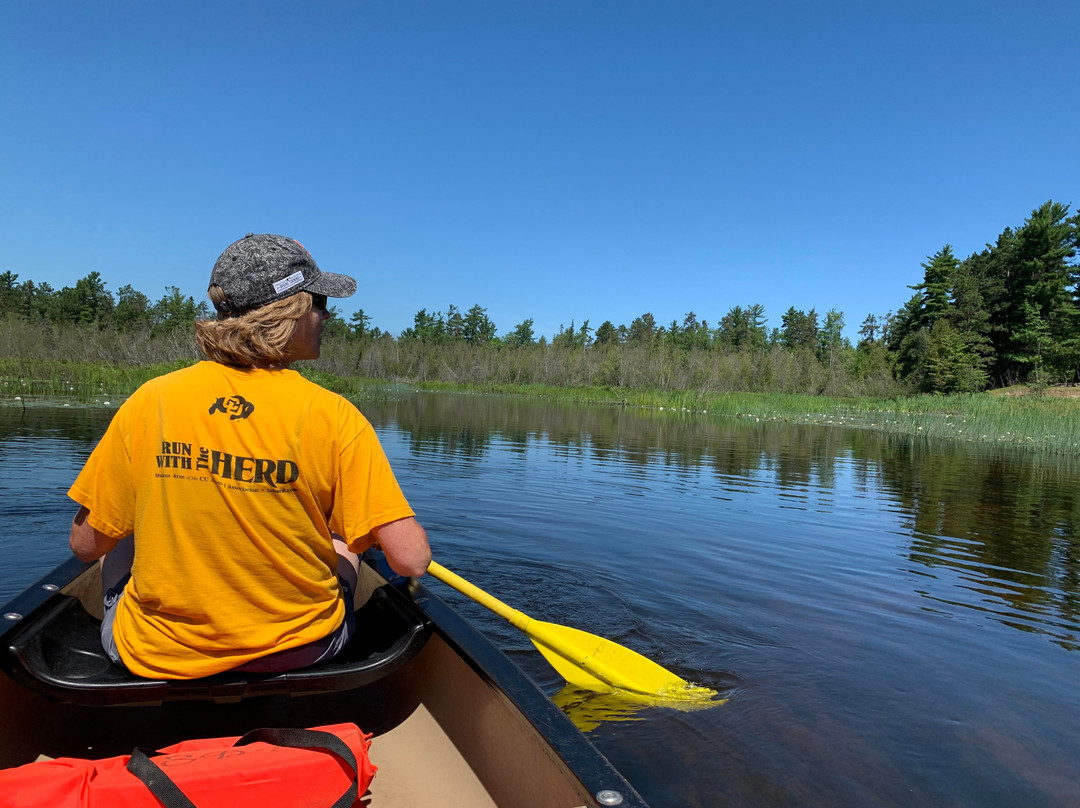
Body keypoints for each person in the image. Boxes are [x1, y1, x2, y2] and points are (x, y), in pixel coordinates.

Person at [68, 233, 431, 679]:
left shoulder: (151, 400)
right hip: (302, 650)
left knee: (122, 531)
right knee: (342, 539)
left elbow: (85, 547)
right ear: (291, 311)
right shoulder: (335, 415)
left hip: (156, 656)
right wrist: (351, 532)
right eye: (319, 302)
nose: (325, 315)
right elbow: (411, 561)